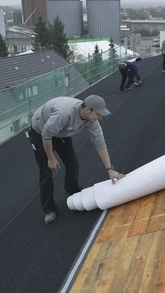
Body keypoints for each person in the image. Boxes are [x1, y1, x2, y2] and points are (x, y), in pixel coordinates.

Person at [28, 95, 124, 224]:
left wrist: (110, 169)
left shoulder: (91, 120)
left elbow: (100, 142)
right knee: (46, 172)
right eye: (98, 114)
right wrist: (51, 158)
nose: (100, 118)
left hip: (60, 132)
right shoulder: (64, 114)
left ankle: (71, 188)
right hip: (40, 133)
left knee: (72, 163)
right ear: (87, 110)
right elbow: (46, 136)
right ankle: (49, 209)